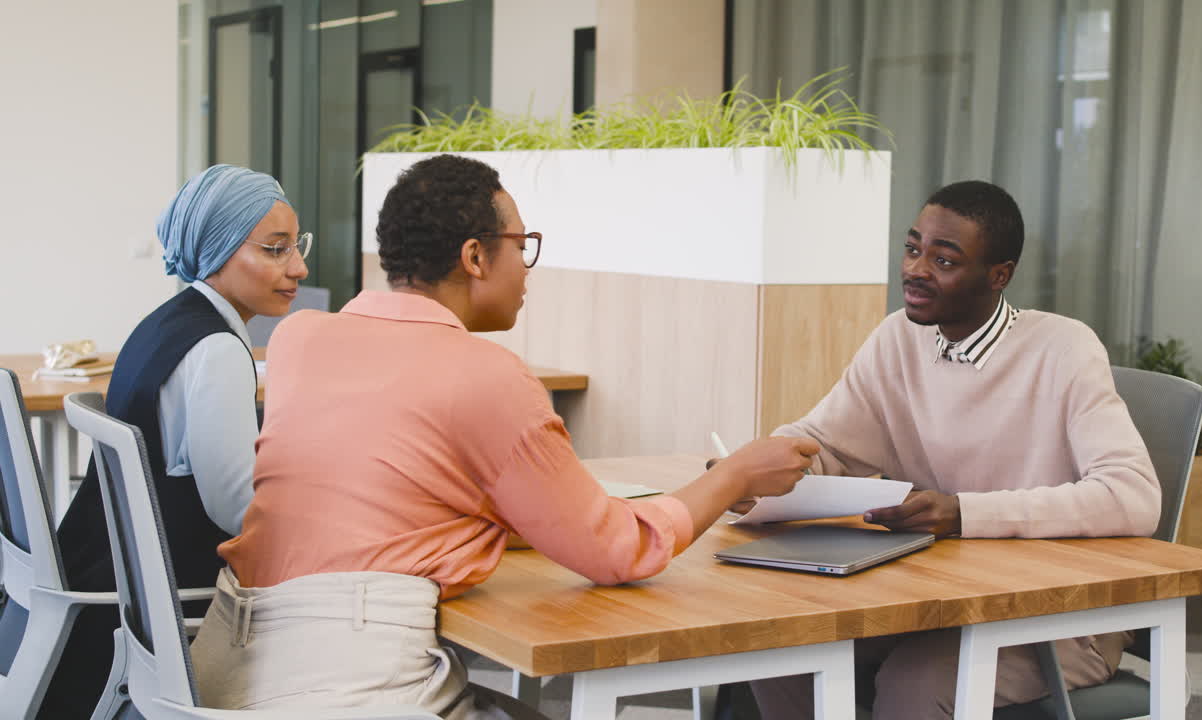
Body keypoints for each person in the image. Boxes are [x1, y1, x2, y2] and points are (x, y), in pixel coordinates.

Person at [188, 154, 819, 717]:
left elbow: (399, 494)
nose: (527, 266)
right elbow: (616, 552)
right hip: (351, 685)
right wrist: (731, 476)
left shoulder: (301, 339)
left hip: (219, 667)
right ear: (475, 257)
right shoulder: (490, 376)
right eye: (523, 244)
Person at [747, 180, 1160, 719]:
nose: (916, 269)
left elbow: (1133, 495)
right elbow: (826, 442)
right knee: (786, 648)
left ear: (998, 275)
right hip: (930, 599)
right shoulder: (899, 338)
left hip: (1054, 613)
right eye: (913, 248)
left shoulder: (1064, 348)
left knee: (915, 685)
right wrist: (753, 472)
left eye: (943, 259)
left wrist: (965, 512)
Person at [43, 165, 310, 718]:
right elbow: (236, 509)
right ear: (216, 251)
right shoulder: (217, 350)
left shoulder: (162, 323)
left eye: (296, 247)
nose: (299, 268)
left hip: (112, 572)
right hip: (176, 590)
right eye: (276, 250)